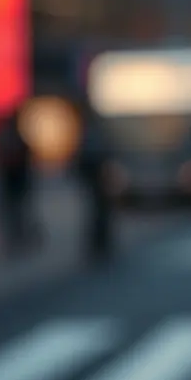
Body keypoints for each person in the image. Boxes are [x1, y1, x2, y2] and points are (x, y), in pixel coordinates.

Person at [0, 112, 38, 257]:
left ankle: (21, 238)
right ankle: (16, 239)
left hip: (18, 180)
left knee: (20, 211)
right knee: (13, 212)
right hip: (11, 180)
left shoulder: (18, 140)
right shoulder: (7, 139)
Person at [73, 112, 113, 265]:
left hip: (98, 182)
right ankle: (99, 242)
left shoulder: (91, 138)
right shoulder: (95, 138)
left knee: (99, 212)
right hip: (95, 181)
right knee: (97, 211)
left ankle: (100, 242)